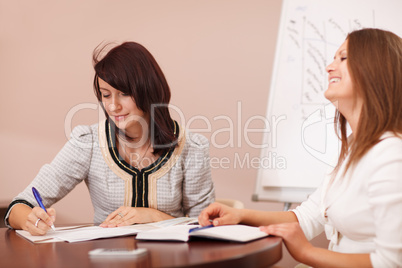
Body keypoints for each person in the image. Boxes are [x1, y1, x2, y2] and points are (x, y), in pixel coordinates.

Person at [199, 28, 402, 267]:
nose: (329, 67)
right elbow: (307, 217)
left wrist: (306, 253)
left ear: (374, 69)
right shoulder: (353, 152)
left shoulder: (390, 156)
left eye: (343, 58)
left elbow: (392, 262)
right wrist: (241, 215)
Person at [4, 41, 215, 235]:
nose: (113, 106)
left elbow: (205, 226)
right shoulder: (88, 142)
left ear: (148, 90)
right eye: (106, 95)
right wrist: (28, 220)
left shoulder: (191, 147)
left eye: (123, 93)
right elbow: (19, 206)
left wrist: (153, 217)